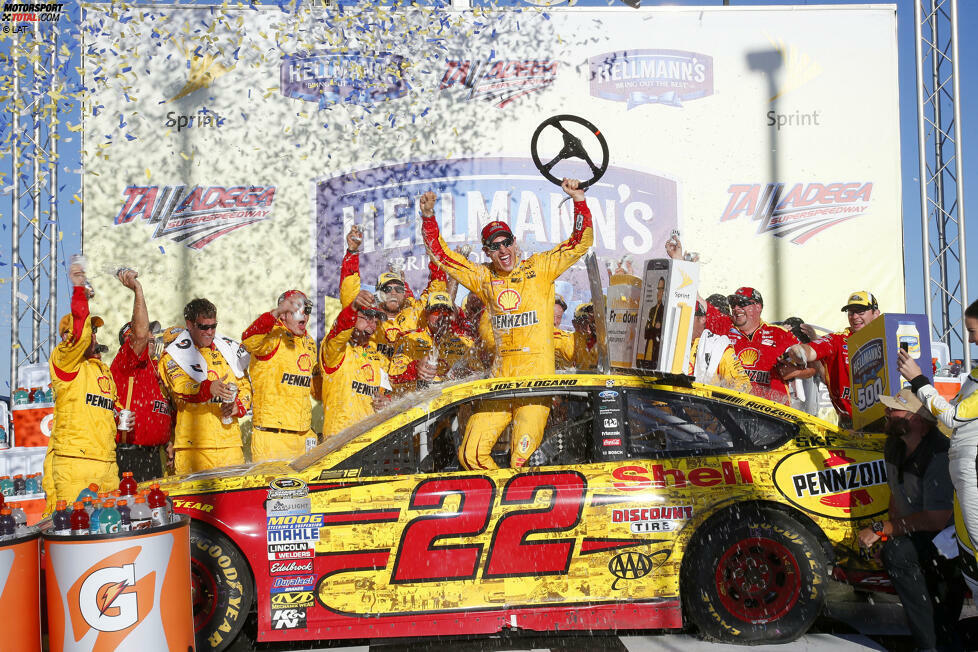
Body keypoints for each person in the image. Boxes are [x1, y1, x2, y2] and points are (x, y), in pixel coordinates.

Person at [421, 178, 593, 469]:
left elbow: (579, 243)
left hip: (535, 386)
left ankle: (526, 506)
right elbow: (442, 256)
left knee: (521, 462)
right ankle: (502, 504)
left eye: (506, 242)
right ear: (487, 252)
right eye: (494, 246)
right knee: (470, 456)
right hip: (500, 384)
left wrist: (578, 200)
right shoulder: (484, 277)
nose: (503, 250)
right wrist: (427, 219)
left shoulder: (540, 267)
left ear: (515, 242)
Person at [856, 389, 964, 651]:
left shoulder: (939, 453)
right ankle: (934, 636)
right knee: (896, 551)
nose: (886, 413)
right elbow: (897, 496)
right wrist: (889, 534)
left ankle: (932, 642)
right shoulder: (895, 445)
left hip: (953, 537)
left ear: (916, 419)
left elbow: (937, 519)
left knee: (904, 556)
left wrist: (882, 529)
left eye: (893, 410)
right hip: (924, 530)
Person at [897, 298, 978, 597]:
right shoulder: (975, 375)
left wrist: (918, 379)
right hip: (962, 468)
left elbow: (953, 417)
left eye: (972, 331)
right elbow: (948, 410)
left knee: (976, 545)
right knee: (968, 550)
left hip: (973, 467)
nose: (969, 339)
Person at [42, 260, 120, 513]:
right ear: (69, 336)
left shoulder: (102, 370)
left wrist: (120, 417)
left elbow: (111, 410)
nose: (94, 336)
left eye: (96, 330)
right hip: (75, 463)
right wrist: (79, 291)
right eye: (90, 330)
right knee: (75, 532)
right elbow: (81, 334)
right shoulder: (64, 359)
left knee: (111, 530)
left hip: (107, 462)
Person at [159, 298, 252, 474]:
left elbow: (245, 386)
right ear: (190, 324)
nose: (210, 332)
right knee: (194, 502)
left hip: (229, 445)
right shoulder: (174, 354)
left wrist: (237, 406)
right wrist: (207, 388)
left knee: (232, 501)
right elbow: (181, 388)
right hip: (194, 448)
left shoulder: (227, 351)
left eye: (213, 326)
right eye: (203, 327)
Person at [341, 225, 447, 358]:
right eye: (387, 288)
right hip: (374, 375)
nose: (393, 292)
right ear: (378, 293)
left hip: (410, 376)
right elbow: (348, 293)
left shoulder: (416, 314)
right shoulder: (370, 319)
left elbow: (438, 286)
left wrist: (434, 251)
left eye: (398, 289)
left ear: (404, 292)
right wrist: (352, 251)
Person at [110, 269, 172, 482]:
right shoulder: (127, 361)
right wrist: (138, 291)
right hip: (130, 455)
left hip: (154, 455)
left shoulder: (154, 366)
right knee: (136, 513)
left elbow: (157, 409)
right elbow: (140, 333)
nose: (152, 337)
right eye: (148, 334)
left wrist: (167, 441)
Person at [242, 290, 318, 461]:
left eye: (307, 310)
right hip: (273, 437)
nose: (304, 315)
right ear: (284, 315)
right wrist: (275, 313)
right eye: (298, 309)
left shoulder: (309, 342)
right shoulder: (272, 336)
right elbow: (248, 339)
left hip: (304, 435)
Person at [786, 291, 881, 427]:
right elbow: (811, 351)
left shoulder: (887, 338)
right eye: (850, 312)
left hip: (884, 421)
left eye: (860, 312)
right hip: (849, 423)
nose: (855, 317)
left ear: (876, 313)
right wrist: (798, 351)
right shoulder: (837, 340)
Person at [319, 292, 391, 439]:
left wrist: (387, 401)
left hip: (370, 439)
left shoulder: (377, 355)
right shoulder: (336, 349)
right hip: (338, 437)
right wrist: (352, 308)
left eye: (375, 321)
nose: (372, 325)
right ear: (353, 318)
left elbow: (389, 390)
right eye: (367, 318)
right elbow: (339, 330)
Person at [389, 291, 477, 394]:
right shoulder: (409, 339)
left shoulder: (465, 343)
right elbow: (393, 378)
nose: (441, 317)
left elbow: (482, 374)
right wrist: (415, 369)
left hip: (454, 403)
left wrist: (470, 373)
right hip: (421, 404)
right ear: (426, 313)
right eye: (436, 312)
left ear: (451, 315)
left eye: (445, 312)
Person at [688, 300, 751, 393]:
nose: (681, 322)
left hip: (700, 405)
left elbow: (743, 385)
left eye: (687, 316)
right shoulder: (666, 345)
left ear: (702, 319)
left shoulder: (718, 347)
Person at [640, 277, 666, 369]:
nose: (659, 292)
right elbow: (646, 332)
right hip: (648, 347)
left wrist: (653, 330)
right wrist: (653, 329)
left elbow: (660, 332)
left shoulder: (664, 311)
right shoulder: (652, 310)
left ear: (665, 292)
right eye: (658, 289)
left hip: (656, 351)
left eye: (661, 289)